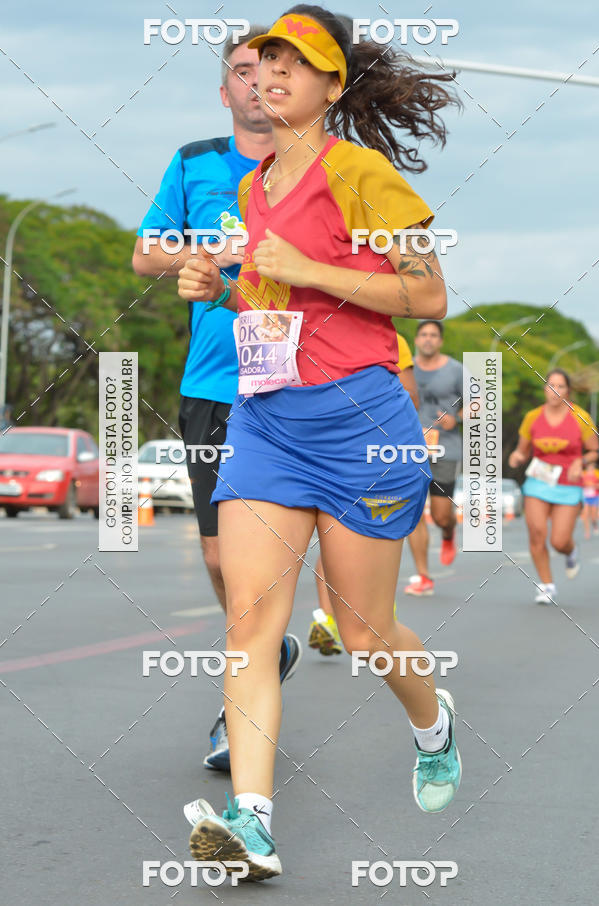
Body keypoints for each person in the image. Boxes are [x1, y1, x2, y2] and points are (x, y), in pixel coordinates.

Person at [178, 5, 462, 880]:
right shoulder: (253, 187)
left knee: (367, 630)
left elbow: (427, 297)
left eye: (293, 64)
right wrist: (221, 289)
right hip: (268, 421)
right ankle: (251, 822)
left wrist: (309, 271)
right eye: (262, 62)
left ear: (332, 85)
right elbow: (275, 307)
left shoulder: (362, 174)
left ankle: (434, 725)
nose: (270, 75)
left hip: (361, 426)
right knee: (251, 624)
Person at [132, 26, 302, 772]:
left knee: (263, 565)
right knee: (215, 553)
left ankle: (241, 714)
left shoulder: (311, 166)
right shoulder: (195, 162)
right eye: (241, 71)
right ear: (226, 88)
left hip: (295, 383)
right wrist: (211, 252)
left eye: (270, 72)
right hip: (211, 384)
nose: (255, 84)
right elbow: (145, 252)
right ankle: (271, 650)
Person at [308, 332, 418, 655]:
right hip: (319, 450)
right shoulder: (308, 326)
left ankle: (378, 614)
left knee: (361, 542)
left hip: (374, 453)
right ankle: (329, 619)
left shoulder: (392, 339)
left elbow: (410, 396)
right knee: (330, 540)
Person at [508, 369, 598, 604]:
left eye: (561, 386)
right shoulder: (532, 417)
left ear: (568, 391)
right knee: (537, 533)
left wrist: (582, 460)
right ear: (544, 389)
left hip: (568, 484)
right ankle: (546, 585)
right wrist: (516, 456)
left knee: (559, 540)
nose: (555, 391)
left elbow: (594, 450)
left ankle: (571, 551)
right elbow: (522, 449)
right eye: (551, 386)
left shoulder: (581, 417)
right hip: (539, 481)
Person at [404, 320, 463, 596]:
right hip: (410, 449)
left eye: (433, 335)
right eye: (423, 334)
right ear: (417, 339)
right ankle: (423, 576)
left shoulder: (455, 370)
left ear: (440, 341)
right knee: (413, 513)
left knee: (440, 515)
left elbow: (480, 402)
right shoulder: (405, 368)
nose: (428, 339)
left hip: (445, 450)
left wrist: (457, 419)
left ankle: (448, 531)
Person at [582, 462, 599, 538]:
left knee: (593, 516)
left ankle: (595, 526)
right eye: (589, 466)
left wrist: (593, 485)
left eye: (592, 467)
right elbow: (581, 484)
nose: (590, 468)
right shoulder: (583, 475)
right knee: (585, 515)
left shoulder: (597, 475)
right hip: (586, 497)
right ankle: (587, 532)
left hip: (595, 496)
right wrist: (586, 484)